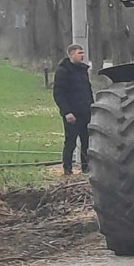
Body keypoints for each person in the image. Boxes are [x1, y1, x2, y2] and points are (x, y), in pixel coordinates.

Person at [53, 44, 93, 175]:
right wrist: (66, 112)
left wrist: (92, 107)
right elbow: (58, 93)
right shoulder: (63, 71)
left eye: (83, 53)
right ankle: (67, 170)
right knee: (70, 142)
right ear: (71, 54)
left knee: (86, 142)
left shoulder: (83, 70)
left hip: (86, 112)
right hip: (72, 114)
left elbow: (88, 91)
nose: (82, 55)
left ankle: (86, 169)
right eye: (79, 53)